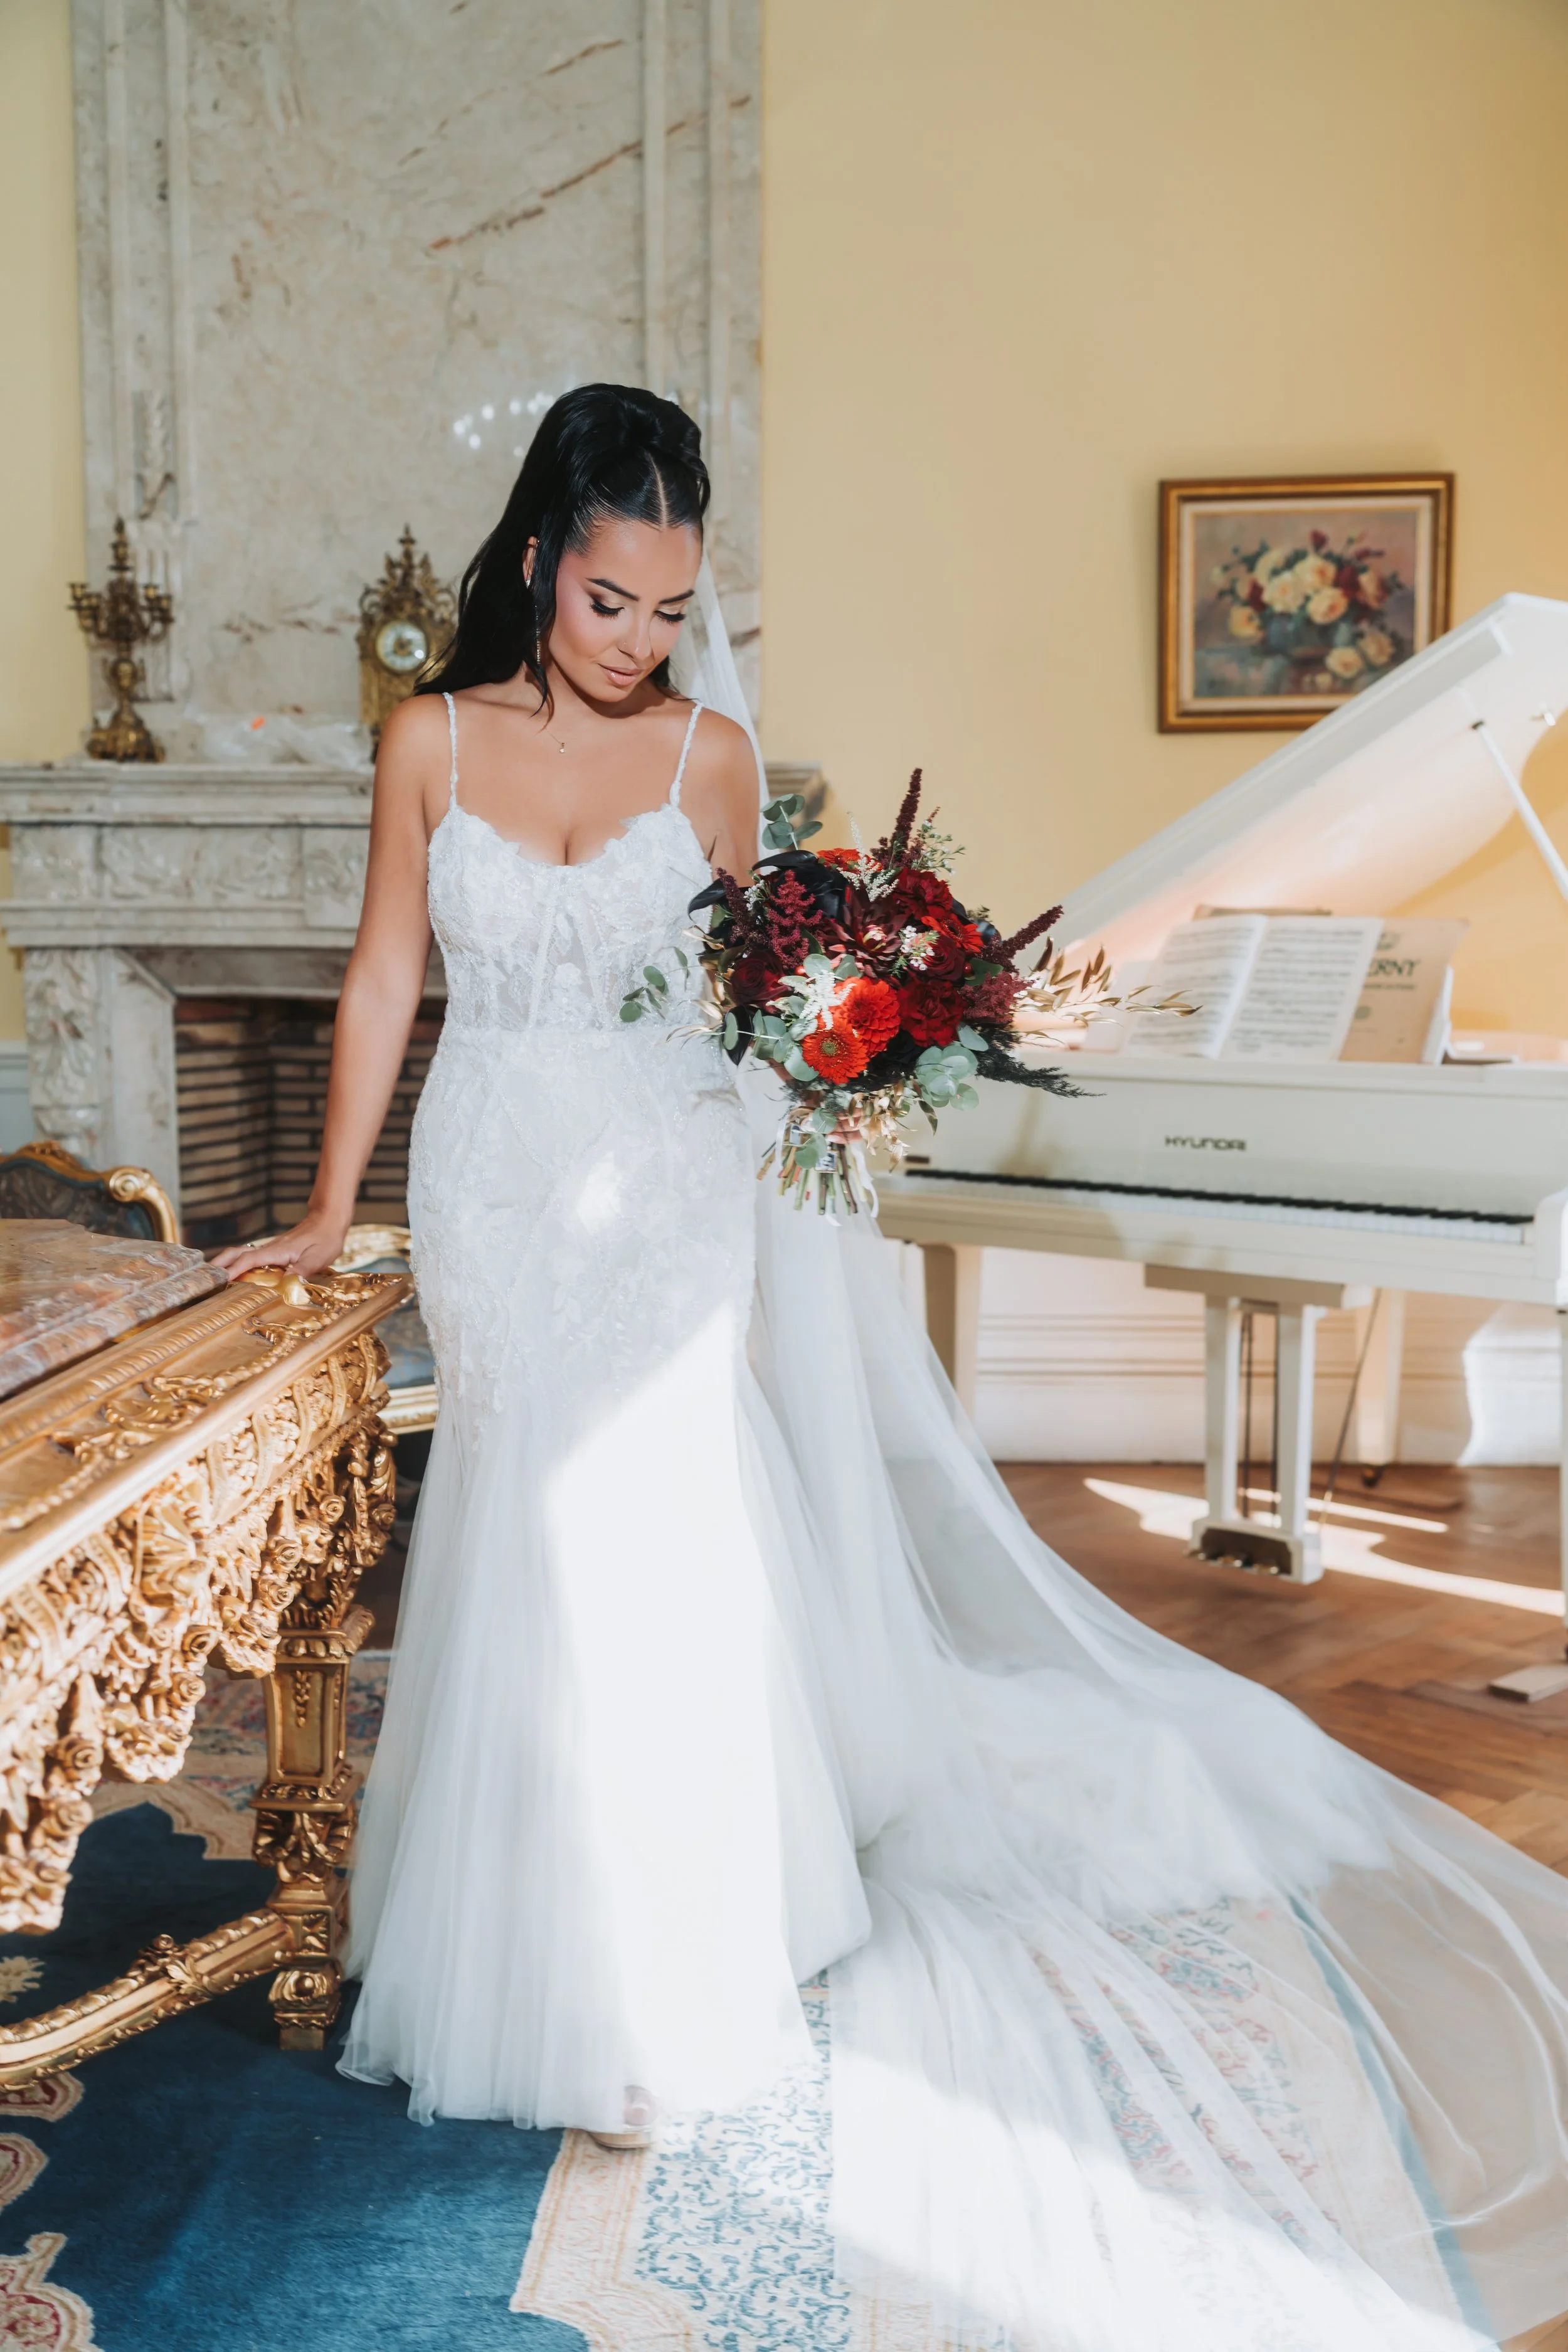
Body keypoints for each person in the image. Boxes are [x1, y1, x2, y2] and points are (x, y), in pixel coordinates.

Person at [218, 385, 1568, 2352]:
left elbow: (744, 1009)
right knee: (518, 1522)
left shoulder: (712, 755)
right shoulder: (425, 737)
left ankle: (671, 1960)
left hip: (666, 1183)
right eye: (609, 601)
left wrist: (847, 1045)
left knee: (655, 1524)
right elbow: (383, 976)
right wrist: (334, 1208)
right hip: (498, 1174)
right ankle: (519, 1943)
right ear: (535, 562)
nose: (640, 643)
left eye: (673, 609)